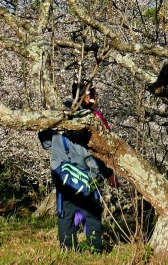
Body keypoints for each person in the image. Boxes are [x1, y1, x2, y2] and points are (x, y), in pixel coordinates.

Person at [39, 89, 115, 252]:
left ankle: (67, 248)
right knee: (92, 212)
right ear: (86, 97)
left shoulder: (58, 113)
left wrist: (58, 148)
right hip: (88, 173)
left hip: (62, 171)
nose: (94, 99)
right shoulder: (92, 119)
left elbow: (44, 139)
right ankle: (95, 248)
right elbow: (101, 151)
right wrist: (108, 173)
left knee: (66, 212)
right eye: (92, 95)